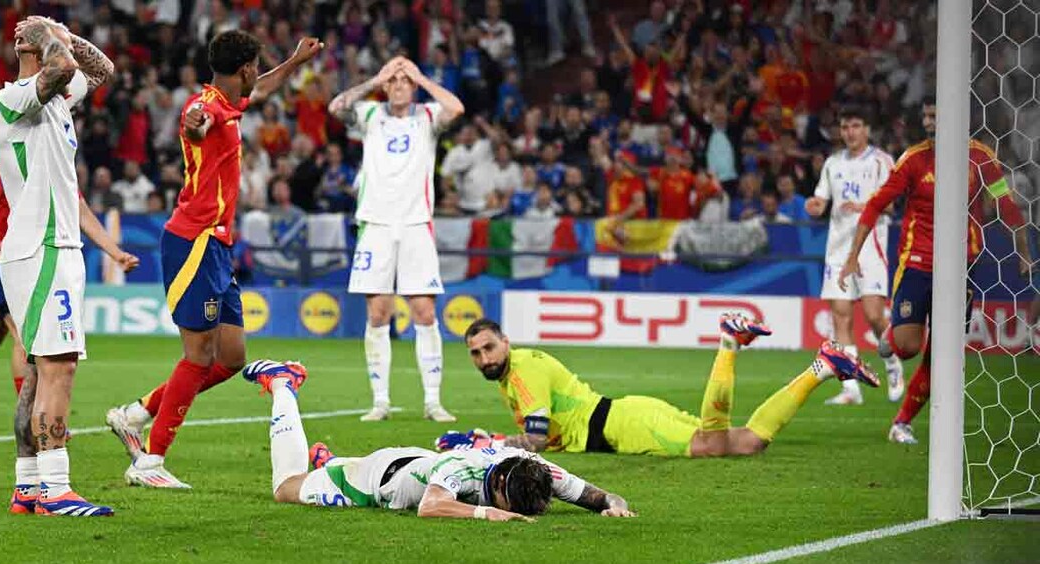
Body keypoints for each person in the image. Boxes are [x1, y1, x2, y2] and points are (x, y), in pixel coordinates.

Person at [103, 32, 324, 488]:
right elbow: (194, 126)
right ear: (243, 68)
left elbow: (260, 88)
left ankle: (137, 413)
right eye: (254, 67)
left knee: (231, 357)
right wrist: (195, 128)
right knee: (198, 355)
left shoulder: (231, 99)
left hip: (217, 245)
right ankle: (150, 462)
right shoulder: (202, 107)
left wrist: (294, 61)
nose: (255, 77)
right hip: (194, 242)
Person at [838, 98, 1031, 444]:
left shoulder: (982, 158)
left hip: (962, 266)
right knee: (909, 347)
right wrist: (853, 256)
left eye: (936, 116)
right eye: (926, 116)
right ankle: (895, 334)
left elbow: (1005, 204)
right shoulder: (913, 160)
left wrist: (1024, 252)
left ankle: (902, 423)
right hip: (917, 263)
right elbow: (877, 205)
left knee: (943, 355)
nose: (929, 122)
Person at [0, 15, 116, 517]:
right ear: (27, 45)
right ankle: (56, 489)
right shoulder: (13, 99)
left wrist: (59, 31)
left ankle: (28, 486)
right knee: (59, 368)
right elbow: (64, 64)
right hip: (43, 247)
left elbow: (99, 68)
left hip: (52, 247)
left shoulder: (57, 101)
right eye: (49, 39)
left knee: (41, 374)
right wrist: (48, 35)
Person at [239, 359, 634, 520]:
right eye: (510, 503)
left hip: (413, 462)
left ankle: (329, 461)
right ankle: (282, 384)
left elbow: (597, 496)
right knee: (285, 488)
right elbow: (431, 507)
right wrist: (489, 513)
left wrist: (614, 504)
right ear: (497, 482)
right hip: (373, 481)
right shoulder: (460, 468)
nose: (518, 510)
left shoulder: (538, 472)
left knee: (323, 471)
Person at [442, 315, 879, 457]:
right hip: (623, 414)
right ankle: (822, 367)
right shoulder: (512, 372)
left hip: (618, 426)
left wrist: (485, 446)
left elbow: (535, 439)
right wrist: (489, 437)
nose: (484, 358)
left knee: (710, 445)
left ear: (506, 342)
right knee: (745, 442)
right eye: (476, 354)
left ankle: (728, 342)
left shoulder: (522, 369)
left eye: (489, 348)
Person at [0, 146, 138, 403]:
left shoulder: (55, 149)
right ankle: (32, 425)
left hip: (26, 257)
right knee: (26, 338)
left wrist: (115, 252)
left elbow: (78, 207)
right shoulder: (5, 145)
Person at [328, 56, 464, 422]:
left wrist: (421, 76)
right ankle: (380, 402)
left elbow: (457, 107)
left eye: (406, 80)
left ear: (415, 85)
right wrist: (375, 77)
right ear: (386, 86)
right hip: (376, 224)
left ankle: (433, 401)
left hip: (417, 223)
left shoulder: (428, 116)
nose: (400, 84)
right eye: (395, 80)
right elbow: (336, 106)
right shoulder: (371, 116)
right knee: (379, 312)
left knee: (424, 311)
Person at [806, 108, 905, 405]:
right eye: (845, 126)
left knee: (875, 315)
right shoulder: (832, 163)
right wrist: (815, 205)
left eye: (856, 126)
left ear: (867, 129)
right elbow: (822, 200)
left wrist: (864, 206)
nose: (849, 132)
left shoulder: (881, 161)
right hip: (837, 249)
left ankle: (892, 363)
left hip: (870, 248)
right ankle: (850, 389)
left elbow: (891, 206)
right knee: (841, 318)